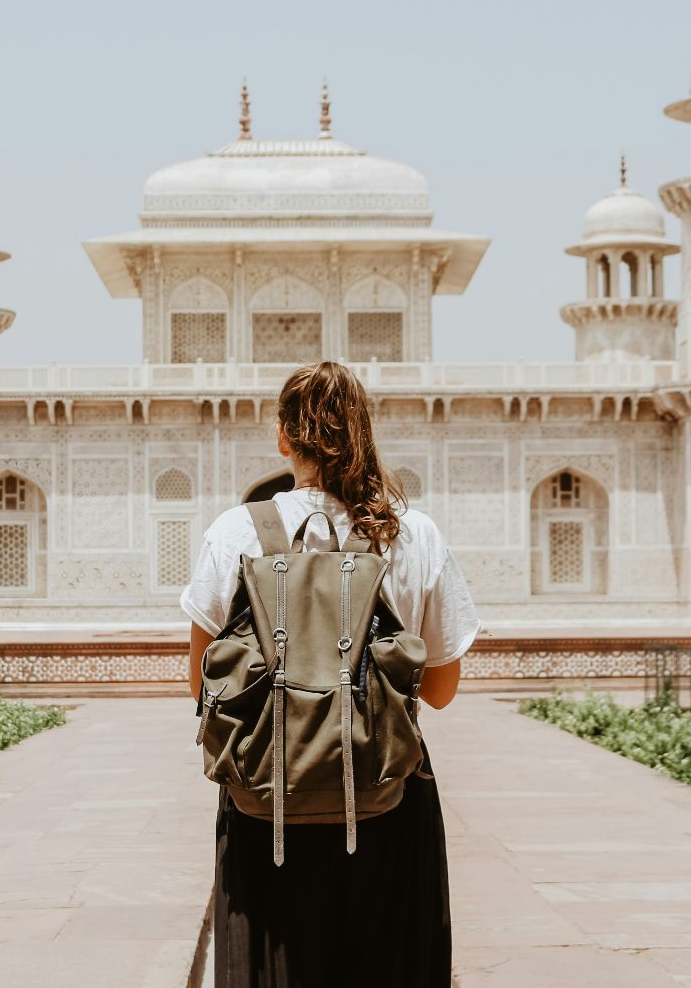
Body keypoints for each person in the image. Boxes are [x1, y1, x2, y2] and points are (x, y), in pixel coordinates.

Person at [181, 361, 480, 987]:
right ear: (363, 431)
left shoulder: (238, 530)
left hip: (266, 800)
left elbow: (201, 683)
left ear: (284, 438)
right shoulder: (410, 534)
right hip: (385, 796)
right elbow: (443, 692)